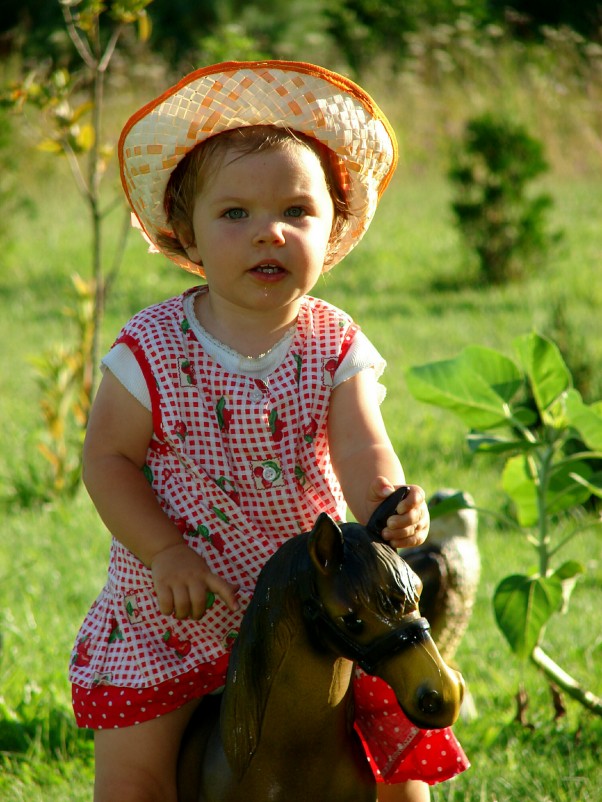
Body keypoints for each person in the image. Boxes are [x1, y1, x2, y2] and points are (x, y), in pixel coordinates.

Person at [70, 60, 468, 802]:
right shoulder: (151, 348)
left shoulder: (333, 342)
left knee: (393, 760)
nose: (270, 233)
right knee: (135, 772)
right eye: (236, 215)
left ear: (333, 228)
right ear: (185, 232)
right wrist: (163, 552)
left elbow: (359, 444)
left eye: (296, 211)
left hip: (318, 605)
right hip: (180, 601)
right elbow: (108, 460)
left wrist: (387, 496)